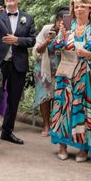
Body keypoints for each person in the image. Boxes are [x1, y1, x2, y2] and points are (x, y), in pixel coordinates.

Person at [49, 0, 91, 162]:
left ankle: (83, 148)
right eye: (76, 7)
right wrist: (61, 36)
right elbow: (54, 48)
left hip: (86, 75)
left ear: (89, 9)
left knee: (84, 109)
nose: (79, 9)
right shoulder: (68, 28)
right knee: (63, 108)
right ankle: (62, 146)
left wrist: (90, 55)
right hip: (66, 75)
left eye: (82, 6)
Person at [0, 0, 36, 145]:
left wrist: (17, 40)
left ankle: (7, 132)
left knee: (14, 100)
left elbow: (32, 40)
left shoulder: (27, 18)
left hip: (18, 65)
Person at [33, 7, 67, 136]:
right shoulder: (47, 29)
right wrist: (47, 41)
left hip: (62, 67)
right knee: (44, 97)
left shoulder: (71, 32)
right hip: (44, 68)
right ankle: (46, 126)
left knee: (59, 96)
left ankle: (57, 125)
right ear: (57, 20)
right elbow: (38, 50)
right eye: (60, 20)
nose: (62, 23)